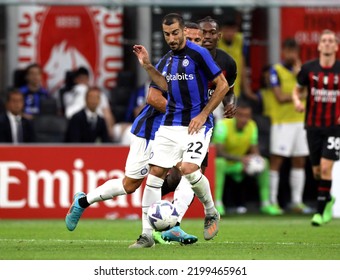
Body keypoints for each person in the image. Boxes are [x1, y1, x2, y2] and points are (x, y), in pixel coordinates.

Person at [130, 13, 229, 248]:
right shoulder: (168, 59)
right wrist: (147, 66)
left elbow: (222, 85)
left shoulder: (199, 53)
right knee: (154, 175)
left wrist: (204, 114)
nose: (172, 38)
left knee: (189, 170)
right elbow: (164, 85)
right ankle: (146, 235)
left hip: (197, 124)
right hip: (170, 124)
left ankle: (211, 211)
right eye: (167, 34)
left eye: (175, 33)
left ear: (184, 31)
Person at [292, 29, 340, 226]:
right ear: (319, 46)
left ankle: (319, 213)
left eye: (331, 41)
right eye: (324, 41)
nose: (328, 43)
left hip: (334, 126)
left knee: (327, 167)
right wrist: (296, 101)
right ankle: (328, 199)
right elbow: (297, 89)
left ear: (336, 47)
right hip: (312, 125)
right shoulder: (309, 69)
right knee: (318, 171)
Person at [212, 100, 281, 215]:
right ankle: (217, 204)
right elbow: (218, 153)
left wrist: (254, 162)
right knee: (220, 162)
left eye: (247, 116)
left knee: (265, 163)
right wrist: (241, 159)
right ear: (234, 115)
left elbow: (255, 151)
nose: (244, 119)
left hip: (240, 164)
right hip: (225, 164)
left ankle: (266, 203)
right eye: (241, 115)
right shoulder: (223, 125)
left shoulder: (252, 126)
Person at [268, 38, 311, 214]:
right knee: (277, 160)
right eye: (288, 51)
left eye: (294, 51)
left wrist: (299, 76)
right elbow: (280, 97)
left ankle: (297, 202)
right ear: (283, 52)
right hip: (282, 123)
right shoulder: (275, 70)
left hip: (301, 122)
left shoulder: (303, 72)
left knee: (299, 160)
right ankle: (271, 202)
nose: (291, 55)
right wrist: (299, 94)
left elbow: (311, 91)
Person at [63, 66, 115, 141]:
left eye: (96, 98)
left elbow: (107, 115)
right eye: (80, 79)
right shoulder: (69, 96)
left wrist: (110, 129)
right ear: (86, 99)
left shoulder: (101, 120)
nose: (93, 101)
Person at [217, 17, 255, 103]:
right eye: (227, 30)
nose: (230, 33)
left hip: (235, 88)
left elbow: (243, 66)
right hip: (216, 89)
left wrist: (246, 89)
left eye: (232, 30)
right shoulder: (216, 41)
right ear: (221, 30)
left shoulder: (240, 40)